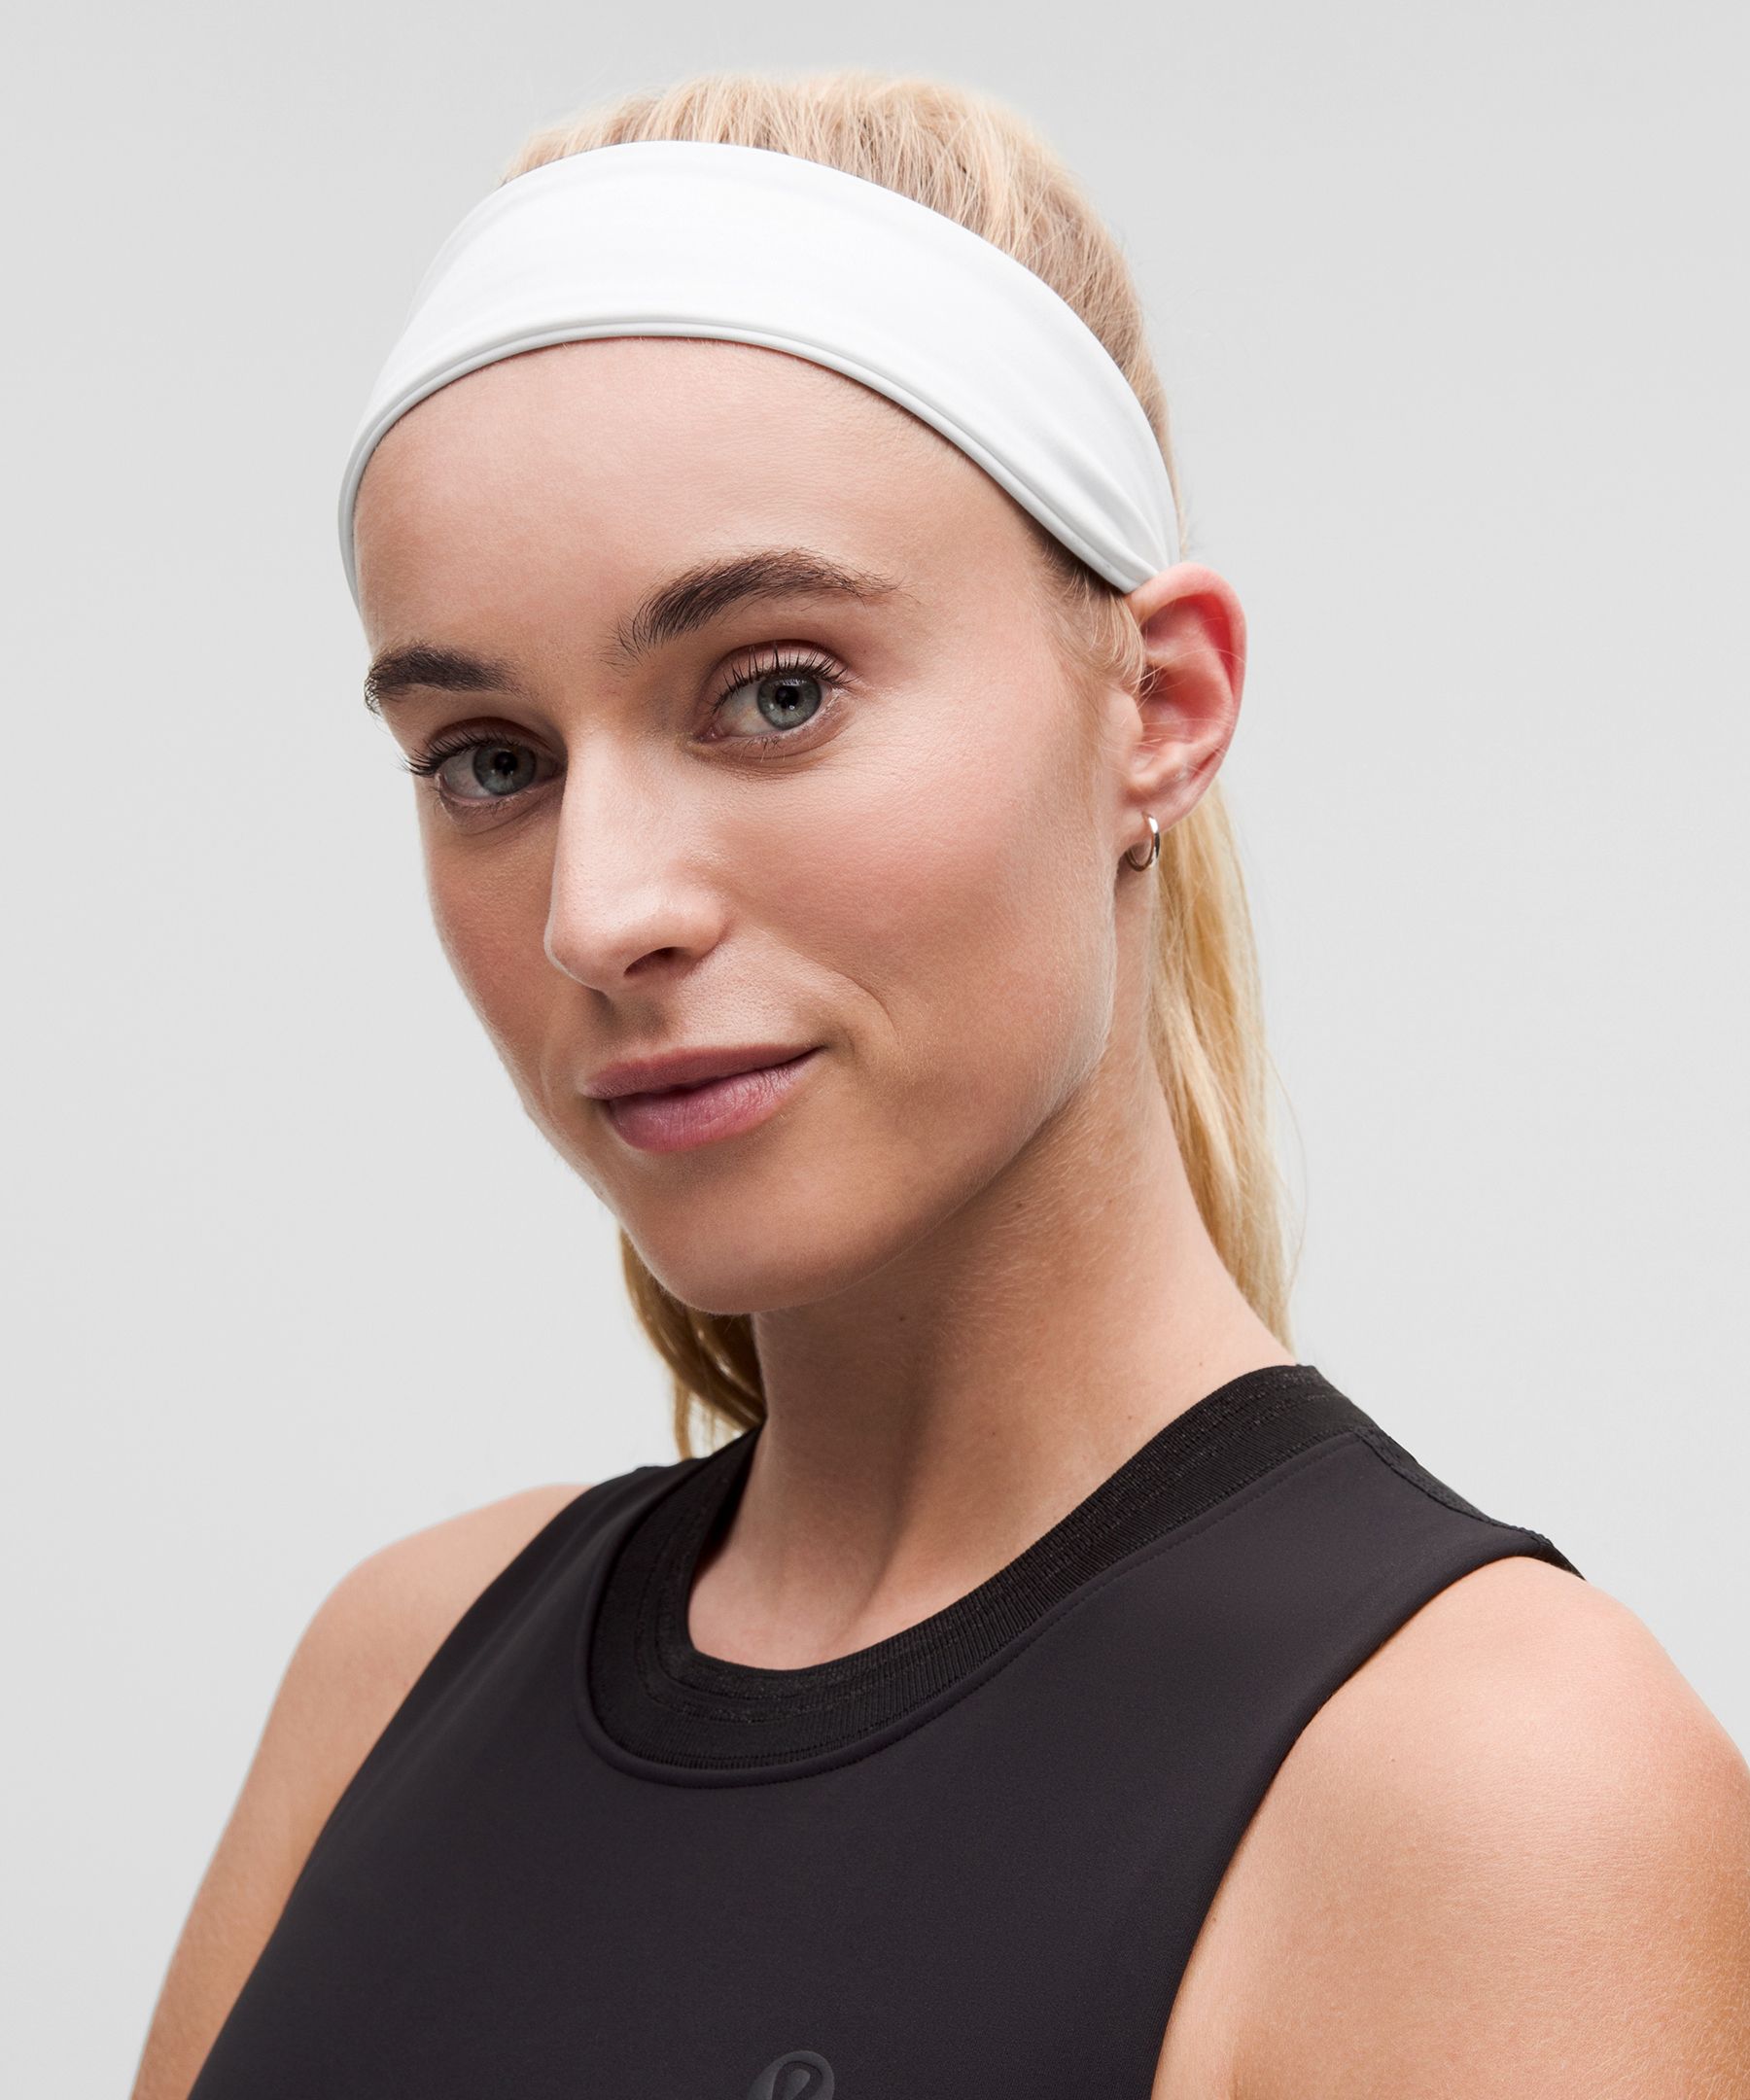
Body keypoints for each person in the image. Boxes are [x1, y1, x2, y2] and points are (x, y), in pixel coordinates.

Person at [130, 66, 1750, 2100]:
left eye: (775, 692)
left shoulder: (1487, 1789)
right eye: (490, 760)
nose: (598, 913)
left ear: (1160, 708)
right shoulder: (393, 1669)